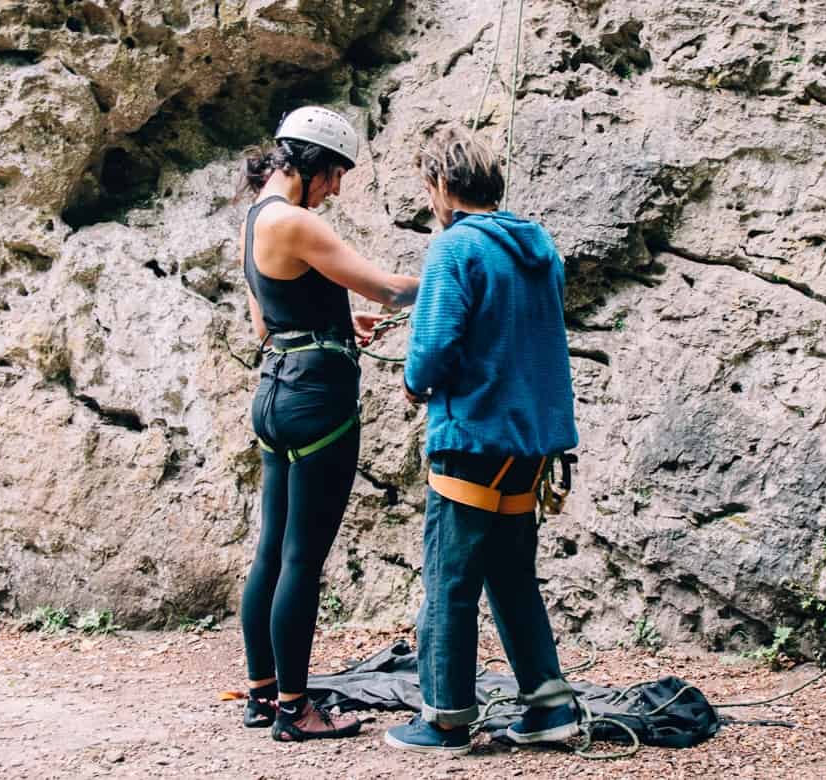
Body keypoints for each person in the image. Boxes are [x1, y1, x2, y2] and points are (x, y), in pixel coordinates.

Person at [384, 124, 579, 755]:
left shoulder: (453, 248)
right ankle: (550, 707)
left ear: (442, 182)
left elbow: (434, 346)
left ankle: (444, 717)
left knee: (450, 579)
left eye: (429, 187)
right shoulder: (539, 246)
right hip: (531, 446)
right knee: (511, 575)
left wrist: (415, 383)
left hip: (470, 436)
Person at [237, 106, 419, 742]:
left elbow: (268, 324)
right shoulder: (296, 219)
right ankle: (296, 710)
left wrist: (336, 327)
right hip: (318, 401)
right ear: (312, 164)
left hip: (275, 396)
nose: (338, 188)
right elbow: (392, 292)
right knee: (302, 561)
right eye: (337, 173)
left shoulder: (258, 217)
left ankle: (262, 698)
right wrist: (466, 271)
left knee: (271, 553)